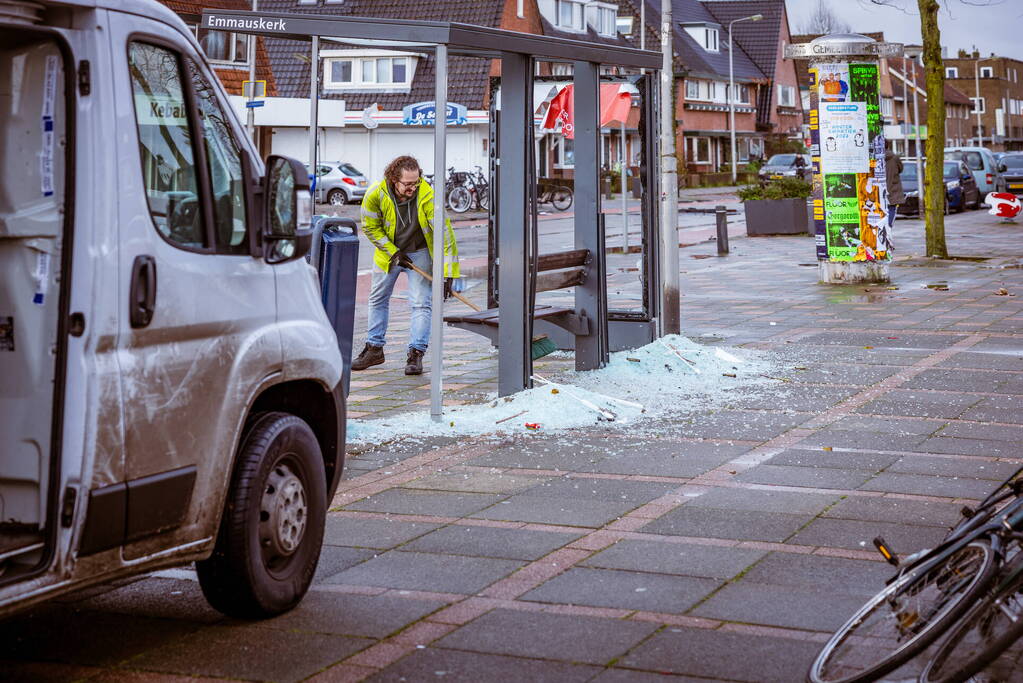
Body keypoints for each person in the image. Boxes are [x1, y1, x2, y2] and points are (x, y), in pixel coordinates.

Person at [351, 155, 461, 376]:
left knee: (421, 303)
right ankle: (374, 349)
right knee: (377, 298)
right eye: (408, 184)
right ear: (394, 179)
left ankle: (416, 354)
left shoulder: (428, 196)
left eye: (416, 182)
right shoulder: (375, 195)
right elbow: (370, 228)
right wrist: (393, 252)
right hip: (389, 254)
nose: (413, 188)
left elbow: (445, 235)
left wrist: (448, 274)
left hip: (420, 252)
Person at [885, 147, 905, 228]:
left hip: (878, 188)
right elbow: (901, 169)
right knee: (892, 208)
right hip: (893, 188)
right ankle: (889, 227)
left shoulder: (874, 157)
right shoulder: (895, 158)